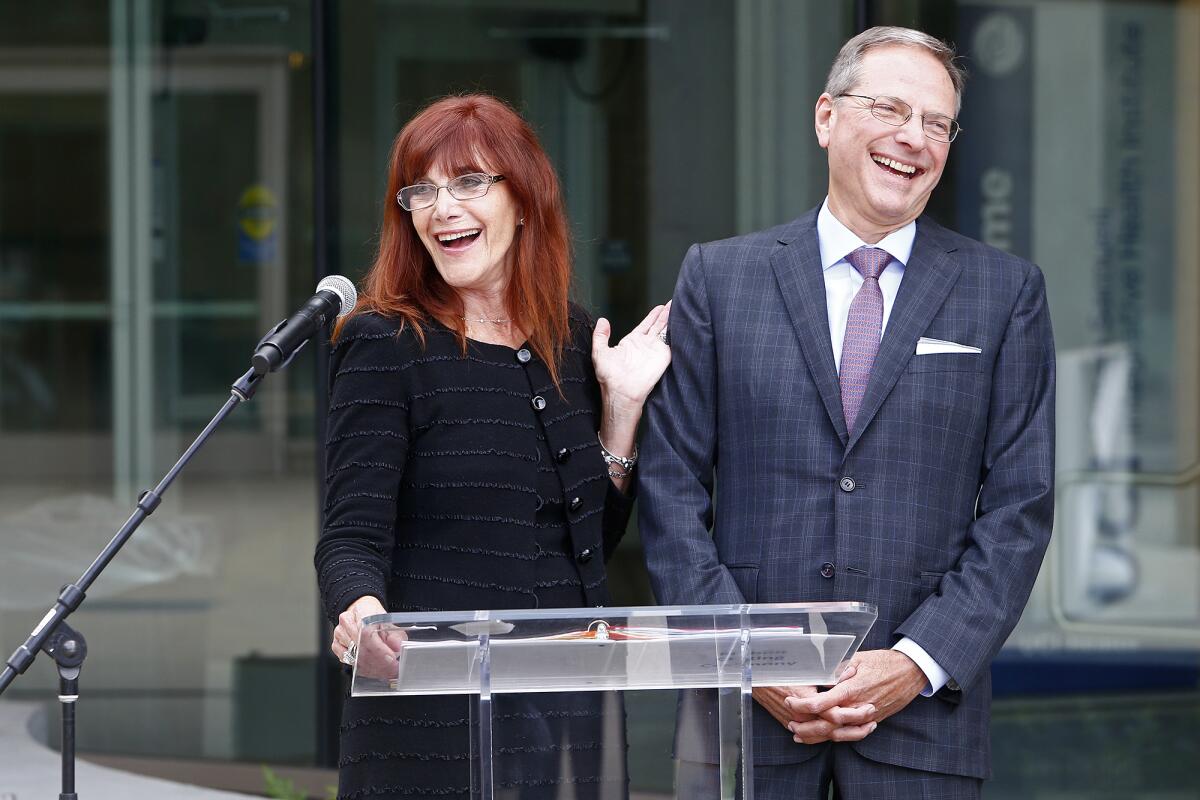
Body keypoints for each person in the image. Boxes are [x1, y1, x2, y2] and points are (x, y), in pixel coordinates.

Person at [639, 26, 1054, 799]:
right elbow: (668, 491)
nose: (913, 138)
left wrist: (917, 661)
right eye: (890, 109)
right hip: (746, 725)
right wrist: (747, 655)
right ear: (826, 117)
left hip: (924, 725)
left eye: (937, 122)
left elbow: (1020, 508)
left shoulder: (1005, 293)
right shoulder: (720, 278)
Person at [314, 93, 670, 799]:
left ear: (525, 200)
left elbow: (586, 537)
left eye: (470, 182)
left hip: (563, 701)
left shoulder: (570, 335)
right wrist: (359, 606)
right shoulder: (385, 342)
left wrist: (622, 411)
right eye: (422, 190)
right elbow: (351, 533)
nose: (442, 207)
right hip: (433, 716)